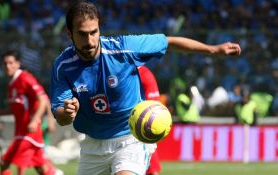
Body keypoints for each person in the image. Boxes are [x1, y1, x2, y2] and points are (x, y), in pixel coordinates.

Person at [50, 2, 241, 175]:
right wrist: (68, 112)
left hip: (129, 139)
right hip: (93, 145)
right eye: (82, 34)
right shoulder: (63, 66)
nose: (90, 40)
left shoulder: (124, 49)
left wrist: (213, 50)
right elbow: (61, 117)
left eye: (94, 32)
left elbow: (169, 42)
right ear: (69, 34)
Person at [0, 50, 57, 175]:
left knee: (6, 163)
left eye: (11, 63)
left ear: (18, 64)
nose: (8, 66)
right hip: (22, 131)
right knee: (40, 168)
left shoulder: (25, 78)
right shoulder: (12, 84)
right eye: (5, 63)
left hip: (29, 132)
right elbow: (15, 109)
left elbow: (43, 98)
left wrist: (36, 119)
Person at [138, 65, 162, 175]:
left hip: (139, 131)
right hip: (115, 133)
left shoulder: (143, 73)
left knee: (151, 171)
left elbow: (153, 107)